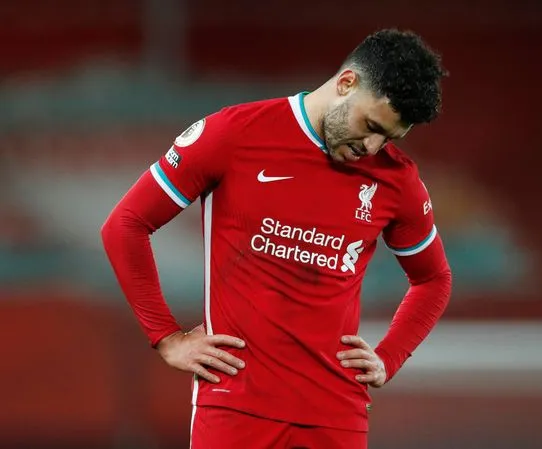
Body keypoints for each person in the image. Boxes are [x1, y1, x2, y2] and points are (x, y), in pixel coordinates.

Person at [101, 28, 452, 449]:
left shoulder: (398, 180)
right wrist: (166, 337)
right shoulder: (233, 134)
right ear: (346, 83)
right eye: (371, 126)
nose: (373, 146)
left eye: (389, 138)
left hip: (337, 415)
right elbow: (125, 225)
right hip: (235, 406)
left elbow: (433, 279)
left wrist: (389, 357)